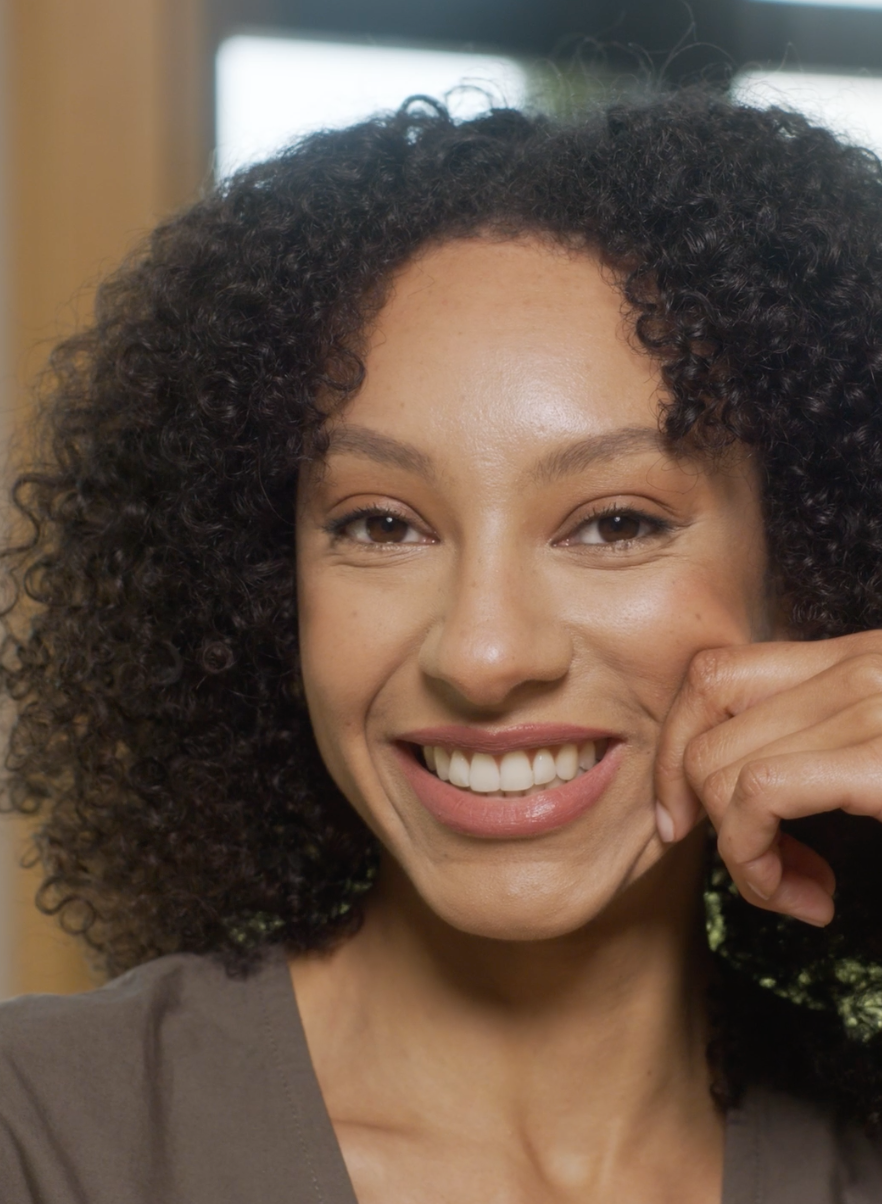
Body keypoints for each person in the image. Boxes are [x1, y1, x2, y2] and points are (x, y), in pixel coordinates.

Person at [1, 83, 882, 1203]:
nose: (483, 652)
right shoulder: (41, 1136)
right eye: (381, 524)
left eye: (615, 523)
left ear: (807, 571)